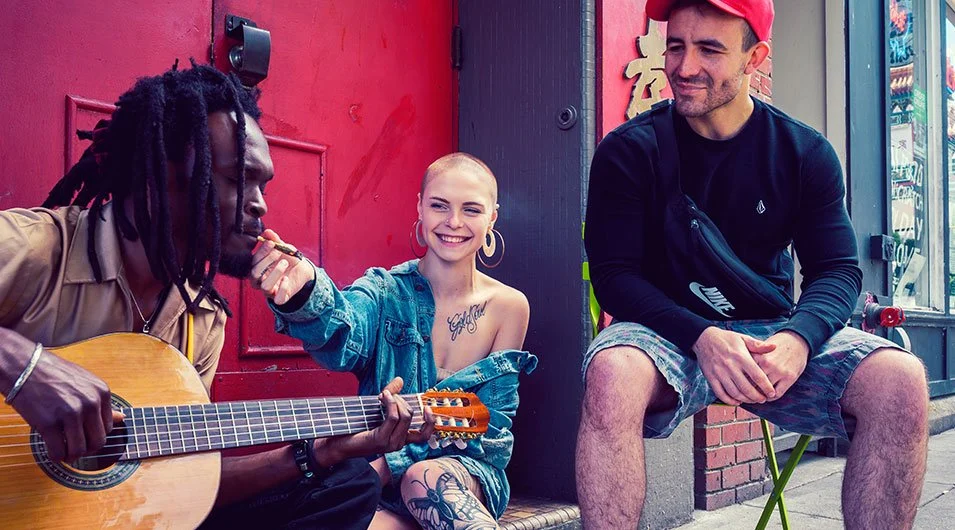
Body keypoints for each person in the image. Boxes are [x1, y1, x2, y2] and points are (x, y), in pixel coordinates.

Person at [0, 62, 431, 530]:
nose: (260, 203)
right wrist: (24, 369)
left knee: (347, 482)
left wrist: (321, 453)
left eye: (263, 185)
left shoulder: (201, 318)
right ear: (159, 178)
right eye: (239, 178)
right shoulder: (34, 248)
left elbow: (186, 478)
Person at [576, 1, 929, 529]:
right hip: (665, 332)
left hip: (769, 333)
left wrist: (799, 338)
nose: (684, 66)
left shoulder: (803, 152)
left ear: (754, 57)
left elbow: (837, 269)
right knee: (611, 372)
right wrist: (701, 336)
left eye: (709, 49)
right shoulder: (629, 151)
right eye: (676, 46)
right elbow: (615, 277)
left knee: (900, 380)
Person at [249, 152, 535, 529]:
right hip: (379, 487)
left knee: (423, 479)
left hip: (464, 475)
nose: (453, 222)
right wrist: (304, 291)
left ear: (492, 217)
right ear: (419, 208)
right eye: (439, 205)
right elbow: (342, 332)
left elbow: (492, 428)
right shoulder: (384, 291)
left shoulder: (510, 307)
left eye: (471, 209)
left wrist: (390, 464)